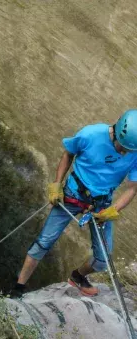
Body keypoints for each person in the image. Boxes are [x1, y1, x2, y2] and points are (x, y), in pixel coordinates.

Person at [13, 109, 137, 297]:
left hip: (101, 204)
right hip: (73, 194)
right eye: (123, 147)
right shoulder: (91, 135)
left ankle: (78, 277)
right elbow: (68, 154)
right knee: (44, 242)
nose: (124, 152)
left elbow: (132, 188)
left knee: (103, 259)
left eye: (129, 150)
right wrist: (56, 184)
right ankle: (18, 287)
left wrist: (113, 210)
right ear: (117, 130)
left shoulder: (134, 150)